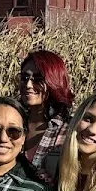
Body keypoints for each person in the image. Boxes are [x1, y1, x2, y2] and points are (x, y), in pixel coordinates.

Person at [18, 50, 73, 184]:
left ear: (53, 81)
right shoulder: (11, 122)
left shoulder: (69, 130)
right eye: (24, 78)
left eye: (38, 79)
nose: (28, 85)